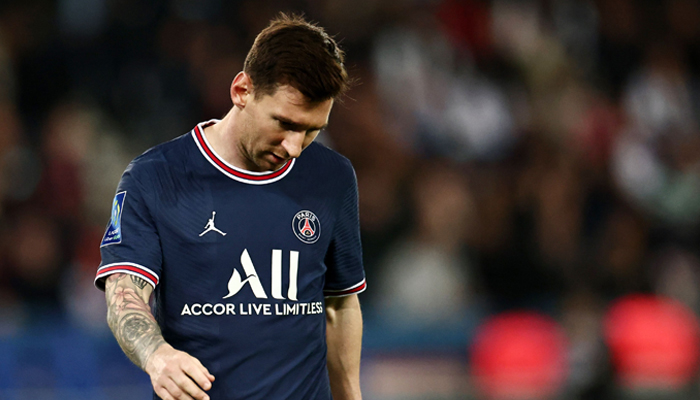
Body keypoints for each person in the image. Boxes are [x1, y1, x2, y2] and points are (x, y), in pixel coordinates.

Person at [94, 14, 365, 400]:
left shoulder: (332, 177)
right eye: (284, 123)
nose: (294, 146)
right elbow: (124, 292)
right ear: (241, 90)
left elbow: (339, 303)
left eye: (311, 130)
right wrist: (158, 357)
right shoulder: (156, 177)